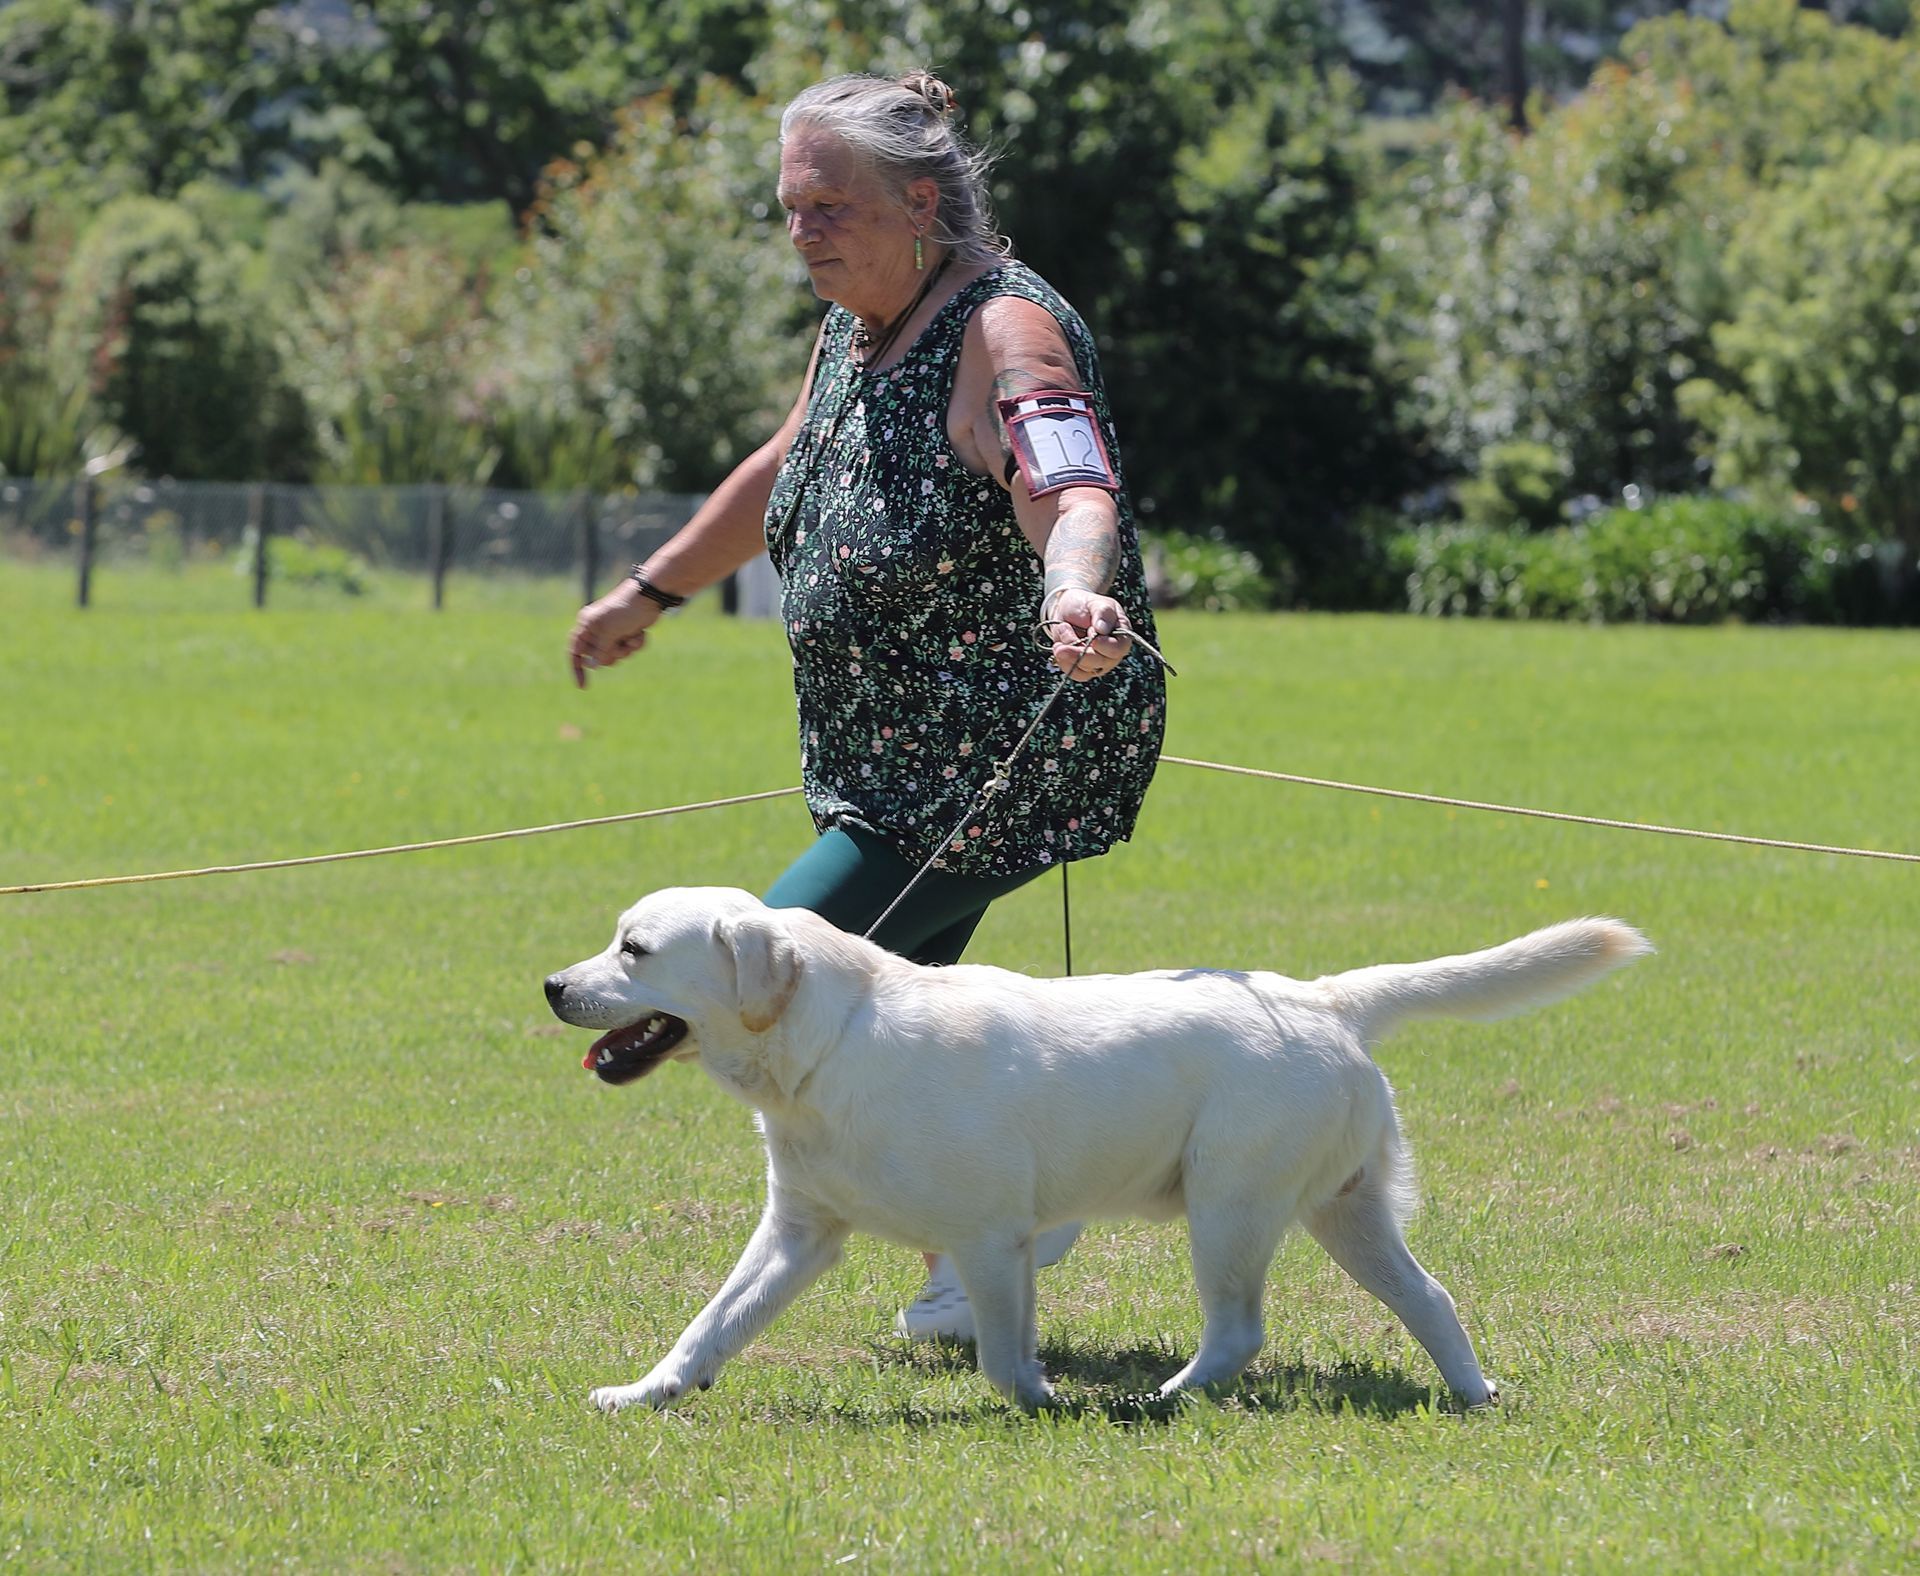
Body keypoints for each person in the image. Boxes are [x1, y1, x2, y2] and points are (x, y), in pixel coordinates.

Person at [567, 70, 1167, 1341]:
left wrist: (1075, 593)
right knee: (903, 1029)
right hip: (881, 757)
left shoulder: (1006, 330)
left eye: (831, 207)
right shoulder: (853, 326)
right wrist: (651, 589)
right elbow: (784, 465)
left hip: (999, 749)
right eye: (791, 209)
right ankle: (989, 1232)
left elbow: (1069, 485)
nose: (806, 233)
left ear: (924, 201)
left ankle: (1005, 1217)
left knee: (773, 962)